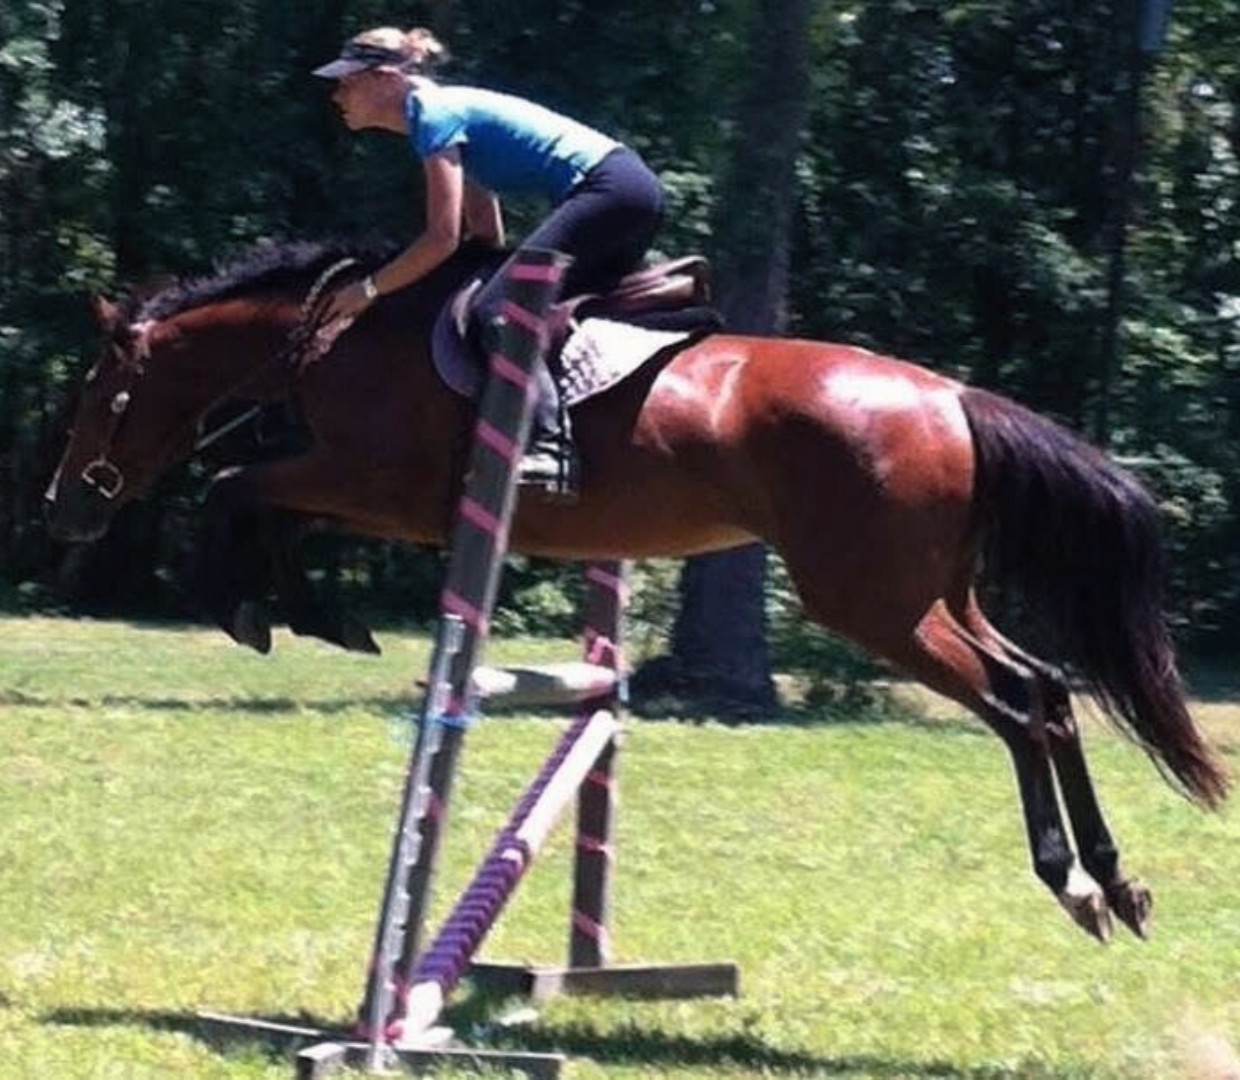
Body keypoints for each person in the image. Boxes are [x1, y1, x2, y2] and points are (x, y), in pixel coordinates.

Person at [314, 27, 667, 499]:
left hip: (610, 190)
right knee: (518, 305)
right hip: (630, 190)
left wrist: (369, 290)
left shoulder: (432, 114)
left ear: (385, 79)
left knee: (499, 310)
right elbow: (483, 228)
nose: (337, 95)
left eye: (347, 82)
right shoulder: (443, 112)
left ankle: (550, 448)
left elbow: (441, 238)